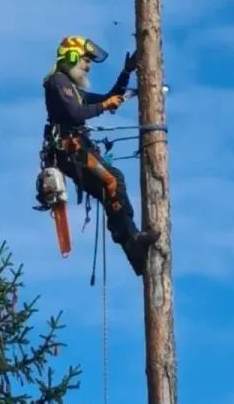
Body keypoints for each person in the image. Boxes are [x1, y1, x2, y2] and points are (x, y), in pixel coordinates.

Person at [41, 35, 158, 276]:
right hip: (69, 149)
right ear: (71, 57)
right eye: (85, 60)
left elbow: (108, 97)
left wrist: (126, 73)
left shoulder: (72, 88)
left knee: (113, 185)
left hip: (78, 150)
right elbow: (75, 113)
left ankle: (135, 252)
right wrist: (104, 106)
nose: (88, 66)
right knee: (112, 180)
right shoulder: (58, 82)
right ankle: (131, 240)